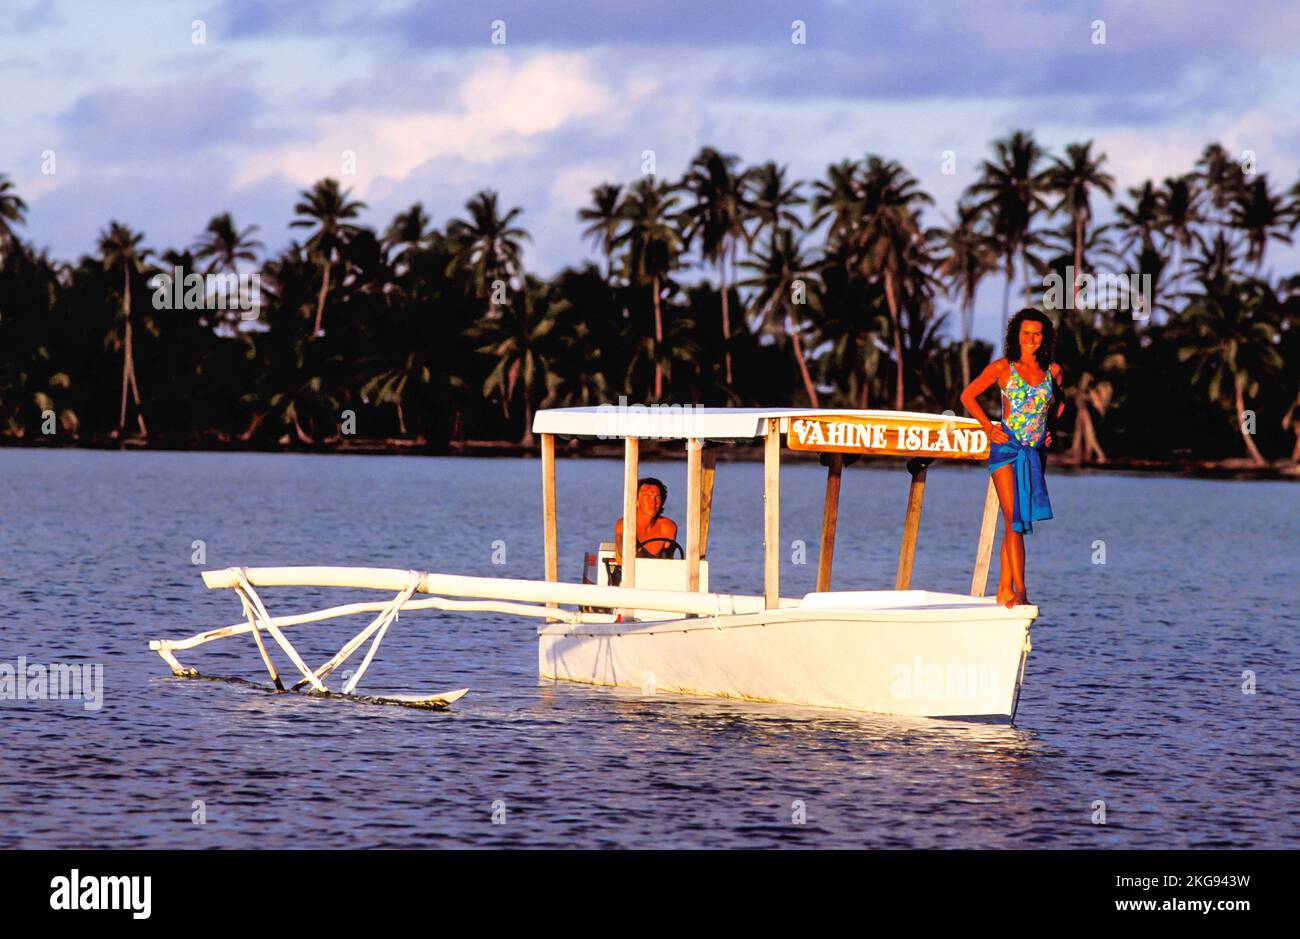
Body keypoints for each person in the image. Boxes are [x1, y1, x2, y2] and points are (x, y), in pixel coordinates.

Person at [960, 308, 1065, 609]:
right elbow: (968, 396)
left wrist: (1050, 431)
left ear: (1043, 337)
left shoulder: (1052, 371)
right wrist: (988, 427)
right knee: (1013, 518)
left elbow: (1061, 404)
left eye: (1037, 333)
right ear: (1015, 335)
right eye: (1025, 333)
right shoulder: (1002, 368)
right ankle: (1021, 590)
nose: (1030, 339)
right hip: (1007, 450)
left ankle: (1004, 587)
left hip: (1035, 453)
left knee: (1018, 521)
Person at [613, 477, 678, 563]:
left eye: (657, 497)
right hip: (628, 574)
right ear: (636, 500)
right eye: (647, 496)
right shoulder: (624, 524)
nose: (653, 502)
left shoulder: (668, 527)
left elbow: (669, 561)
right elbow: (623, 551)